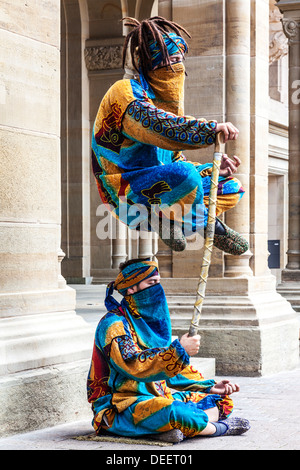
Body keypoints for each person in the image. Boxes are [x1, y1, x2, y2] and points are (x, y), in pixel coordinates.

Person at [91, 16, 248, 255]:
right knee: (185, 177)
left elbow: (174, 162)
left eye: (181, 61)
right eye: (173, 60)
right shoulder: (124, 93)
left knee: (229, 187)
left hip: (162, 192)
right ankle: (209, 226)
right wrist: (208, 130)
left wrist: (211, 170)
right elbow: (156, 125)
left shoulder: (166, 106)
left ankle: (169, 220)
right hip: (124, 191)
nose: (178, 68)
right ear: (152, 61)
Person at [87, 259, 250, 442]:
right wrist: (179, 351)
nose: (158, 288)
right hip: (121, 408)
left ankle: (173, 429)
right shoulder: (114, 325)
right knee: (176, 412)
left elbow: (171, 373)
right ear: (131, 288)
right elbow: (134, 365)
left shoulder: (149, 324)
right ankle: (216, 428)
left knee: (221, 401)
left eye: (158, 282)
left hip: (158, 397)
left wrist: (210, 386)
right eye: (152, 283)